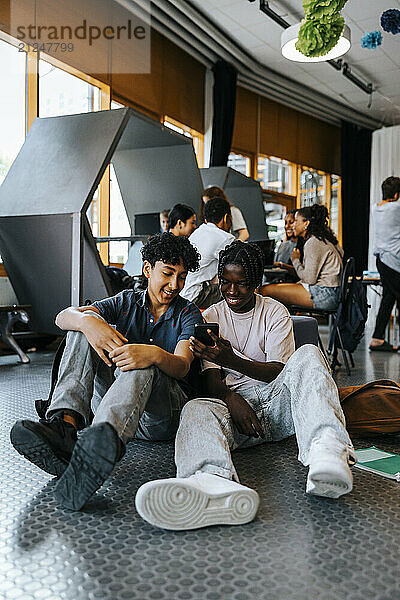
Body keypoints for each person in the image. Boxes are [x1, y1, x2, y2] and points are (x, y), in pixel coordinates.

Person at [135, 241, 356, 531]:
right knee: (196, 408)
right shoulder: (210, 317)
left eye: (241, 284)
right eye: (225, 282)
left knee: (309, 354)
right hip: (236, 417)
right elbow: (211, 379)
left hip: (276, 405)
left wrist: (231, 359)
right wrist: (230, 398)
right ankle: (211, 481)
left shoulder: (274, 312)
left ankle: (327, 452)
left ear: (255, 283)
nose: (231, 291)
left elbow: (278, 372)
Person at [10, 233, 203, 511]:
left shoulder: (188, 313)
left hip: (161, 417)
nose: (175, 285)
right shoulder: (126, 301)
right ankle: (65, 427)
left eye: (182, 277)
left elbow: (183, 365)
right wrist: (89, 324)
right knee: (83, 328)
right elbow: (63, 317)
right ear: (147, 269)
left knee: (143, 364)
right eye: (168, 273)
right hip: (114, 409)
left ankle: (97, 452)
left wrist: (155, 354)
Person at [259, 204, 343, 311]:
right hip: (331, 293)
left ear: (306, 224)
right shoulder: (323, 240)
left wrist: (295, 260)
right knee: (277, 292)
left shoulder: (313, 242)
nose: (293, 225)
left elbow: (309, 279)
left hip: (324, 295)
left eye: (296, 221)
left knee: (264, 290)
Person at [181, 197, 234, 309]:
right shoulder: (225, 238)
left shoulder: (197, 233)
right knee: (240, 289)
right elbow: (240, 266)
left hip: (183, 294)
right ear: (225, 218)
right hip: (197, 295)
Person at [369, 176, 400, 352]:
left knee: (388, 298)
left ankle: (377, 338)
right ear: (396, 194)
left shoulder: (375, 208)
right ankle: (377, 338)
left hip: (381, 261)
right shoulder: (396, 208)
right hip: (394, 261)